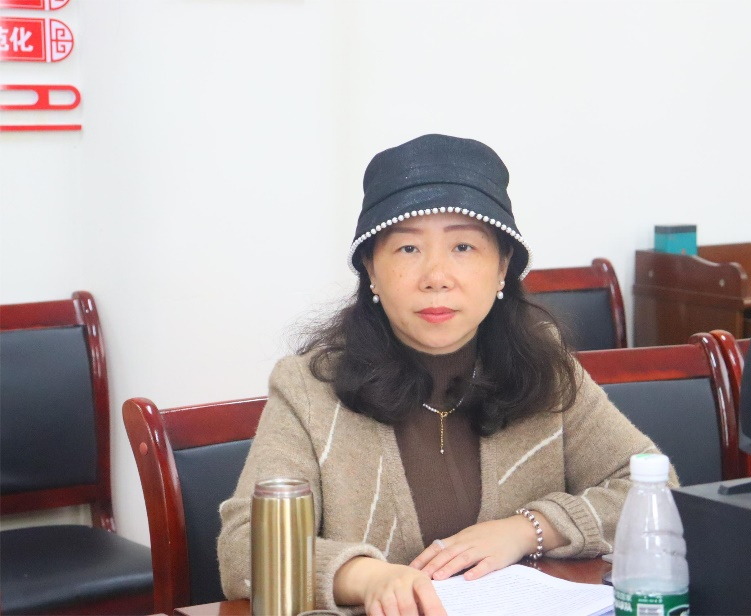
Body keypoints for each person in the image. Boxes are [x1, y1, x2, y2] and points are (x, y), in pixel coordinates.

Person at [217, 134, 671, 616]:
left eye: (463, 246)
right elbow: (244, 546)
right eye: (408, 248)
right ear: (371, 269)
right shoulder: (309, 389)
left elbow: (654, 490)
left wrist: (530, 529)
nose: (436, 276)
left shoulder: (545, 369)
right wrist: (365, 577)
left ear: (502, 267)